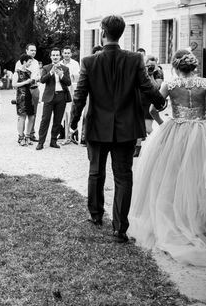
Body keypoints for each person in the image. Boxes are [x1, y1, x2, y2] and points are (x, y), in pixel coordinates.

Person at [128, 50, 206, 275]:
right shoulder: (205, 84)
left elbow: (153, 109)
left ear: (175, 67)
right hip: (201, 131)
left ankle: (175, 217)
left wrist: (164, 125)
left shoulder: (170, 85)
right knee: (202, 175)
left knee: (171, 177)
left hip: (176, 129)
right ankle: (201, 221)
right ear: (194, 66)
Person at [69, 15, 166, 244]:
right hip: (126, 128)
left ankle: (95, 215)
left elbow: (80, 94)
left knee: (96, 171)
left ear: (103, 32)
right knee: (123, 177)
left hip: (96, 126)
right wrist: (160, 102)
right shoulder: (134, 59)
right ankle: (120, 228)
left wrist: (73, 122)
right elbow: (147, 86)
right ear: (121, 33)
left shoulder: (89, 62)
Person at [37, 49, 71, 150]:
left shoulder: (65, 68)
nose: (55, 57)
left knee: (57, 120)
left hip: (61, 97)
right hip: (49, 97)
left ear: (60, 57)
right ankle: (41, 142)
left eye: (57, 55)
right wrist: (51, 72)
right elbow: (42, 80)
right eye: (53, 55)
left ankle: (53, 141)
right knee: (45, 120)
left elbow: (68, 82)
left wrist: (61, 75)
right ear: (51, 57)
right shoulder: (46, 67)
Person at [134, 54, 164, 157]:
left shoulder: (158, 73)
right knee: (138, 125)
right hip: (139, 100)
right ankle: (137, 148)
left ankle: (161, 142)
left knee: (147, 128)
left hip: (150, 102)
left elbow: (156, 88)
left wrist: (150, 75)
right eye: (148, 65)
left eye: (152, 65)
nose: (150, 67)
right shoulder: (141, 71)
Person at [15, 43, 41, 141]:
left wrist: (37, 78)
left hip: (34, 88)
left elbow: (38, 74)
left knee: (33, 113)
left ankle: (30, 134)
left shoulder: (36, 62)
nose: (33, 52)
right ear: (26, 50)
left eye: (35, 50)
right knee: (22, 114)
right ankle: (21, 135)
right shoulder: (19, 62)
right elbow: (17, 78)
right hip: (24, 90)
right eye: (31, 50)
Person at [12, 54, 37, 146]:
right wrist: (25, 82)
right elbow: (14, 84)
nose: (30, 64)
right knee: (22, 117)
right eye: (29, 62)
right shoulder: (17, 72)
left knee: (31, 116)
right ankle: (21, 137)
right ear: (24, 62)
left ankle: (28, 136)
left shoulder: (29, 72)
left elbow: (30, 84)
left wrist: (34, 81)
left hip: (29, 96)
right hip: (21, 97)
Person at [60, 47, 80, 143]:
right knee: (61, 111)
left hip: (71, 89)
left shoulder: (75, 64)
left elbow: (77, 77)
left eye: (68, 53)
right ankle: (62, 132)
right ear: (62, 54)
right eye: (65, 53)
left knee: (71, 111)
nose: (67, 54)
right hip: (61, 89)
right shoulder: (59, 64)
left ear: (71, 54)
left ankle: (72, 133)